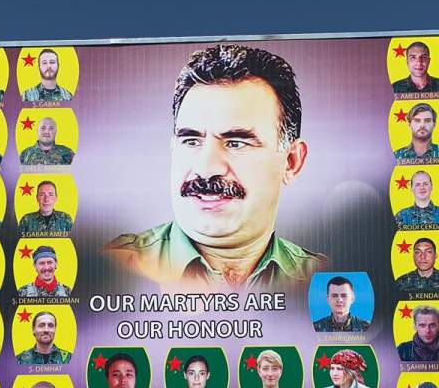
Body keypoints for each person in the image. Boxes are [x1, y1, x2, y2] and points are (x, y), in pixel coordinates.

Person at [106, 43, 325, 291]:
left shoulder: (325, 279)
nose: (206, 168)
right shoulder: (109, 270)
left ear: (291, 162)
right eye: (191, 141)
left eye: (235, 143)